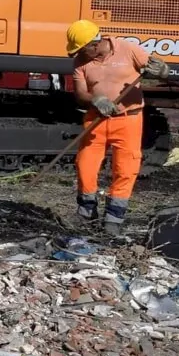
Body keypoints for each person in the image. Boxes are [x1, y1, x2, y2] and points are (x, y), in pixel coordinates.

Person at [66, 19, 168, 235]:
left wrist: (161, 70)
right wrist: (95, 99)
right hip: (96, 119)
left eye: (82, 49)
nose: (80, 54)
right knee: (85, 166)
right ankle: (86, 215)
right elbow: (80, 93)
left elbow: (157, 68)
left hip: (128, 120)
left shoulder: (127, 49)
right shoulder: (80, 62)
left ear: (95, 44)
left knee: (126, 169)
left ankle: (113, 220)